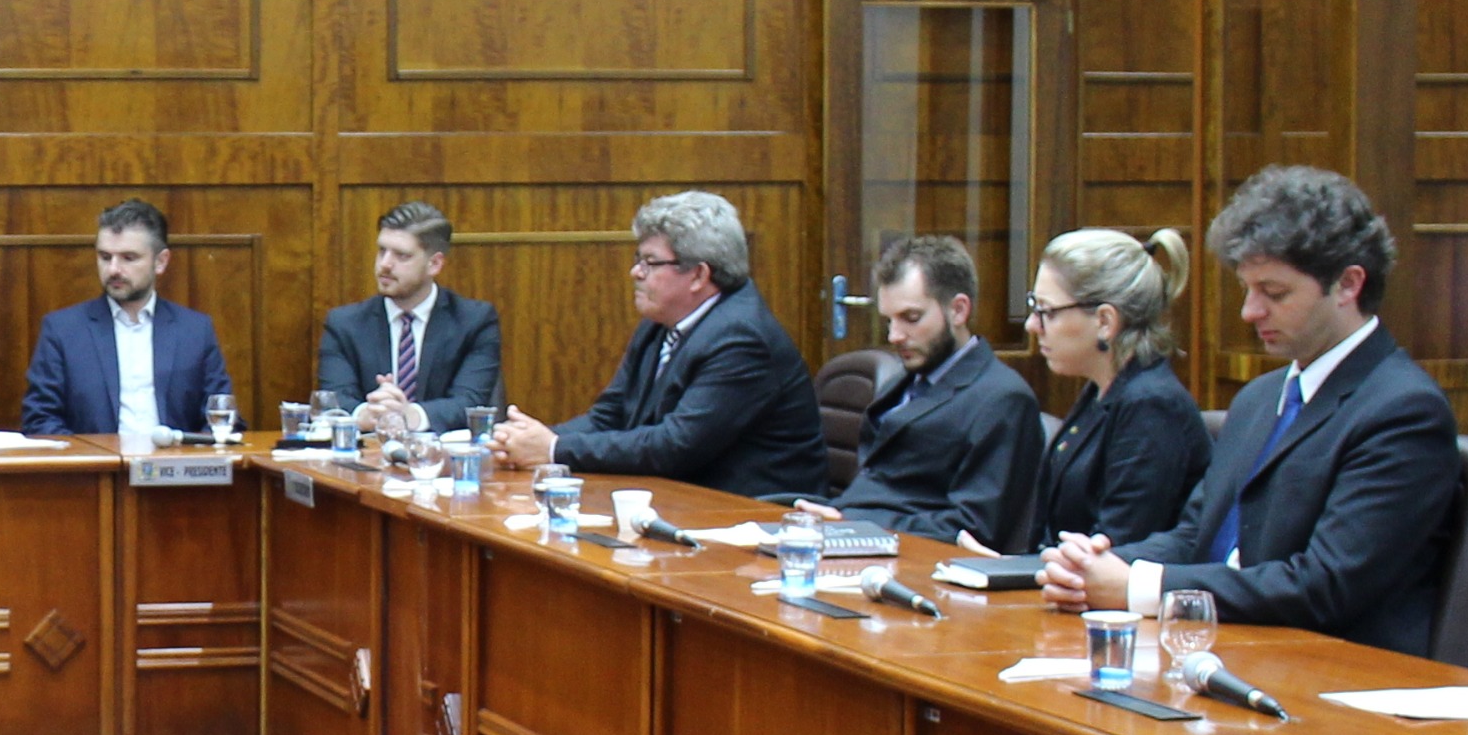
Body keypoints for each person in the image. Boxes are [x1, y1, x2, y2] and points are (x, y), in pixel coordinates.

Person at [1041, 166, 1459, 653]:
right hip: (1225, 650)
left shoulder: (1403, 411)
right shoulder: (1259, 399)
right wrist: (1093, 566)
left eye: (1274, 293)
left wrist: (1140, 588)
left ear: (1348, 285)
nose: (1249, 311)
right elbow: (1196, 537)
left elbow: (1325, 585)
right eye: (1248, 288)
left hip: (1328, 671)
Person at [492, 192, 821, 494]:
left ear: (698, 275)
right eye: (639, 259)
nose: (635, 272)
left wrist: (553, 449)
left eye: (650, 262)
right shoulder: (660, 323)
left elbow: (675, 446)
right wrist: (530, 441)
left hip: (752, 513)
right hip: (680, 499)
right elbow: (609, 416)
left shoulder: (741, 340)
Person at [823, 233, 1044, 544]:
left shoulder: (1003, 399)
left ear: (958, 310)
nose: (895, 335)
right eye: (889, 321)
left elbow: (974, 528)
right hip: (858, 540)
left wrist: (855, 523)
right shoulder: (901, 383)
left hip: (921, 559)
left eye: (911, 318)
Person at [1021, 227, 1210, 547]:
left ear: (1105, 321)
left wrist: (1021, 569)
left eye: (1046, 311)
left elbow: (1117, 547)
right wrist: (1001, 567)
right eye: (1033, 307)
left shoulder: (1151, 405)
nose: (1031, 325)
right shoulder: (1102, 390)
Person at [21, 199, 233, 441]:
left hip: (175, 462)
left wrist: (185, 456)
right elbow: (40, 420)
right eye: (105, 257)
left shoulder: (195, 331)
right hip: (96, 463)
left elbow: (221, 418)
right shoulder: (63, 331)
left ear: (160, 261)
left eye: (128, 258)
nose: (113, 269)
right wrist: (96, 457)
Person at [316, 201, 504, 438]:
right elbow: (334, 398)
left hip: (443, 455)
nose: (385, 264)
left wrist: (409, 414)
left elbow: (470, 402)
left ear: (434, 264)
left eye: (401, 255)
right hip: (368, 455)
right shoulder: (344, 324)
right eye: (382, 250)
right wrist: (366, 413)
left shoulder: (474, 321)